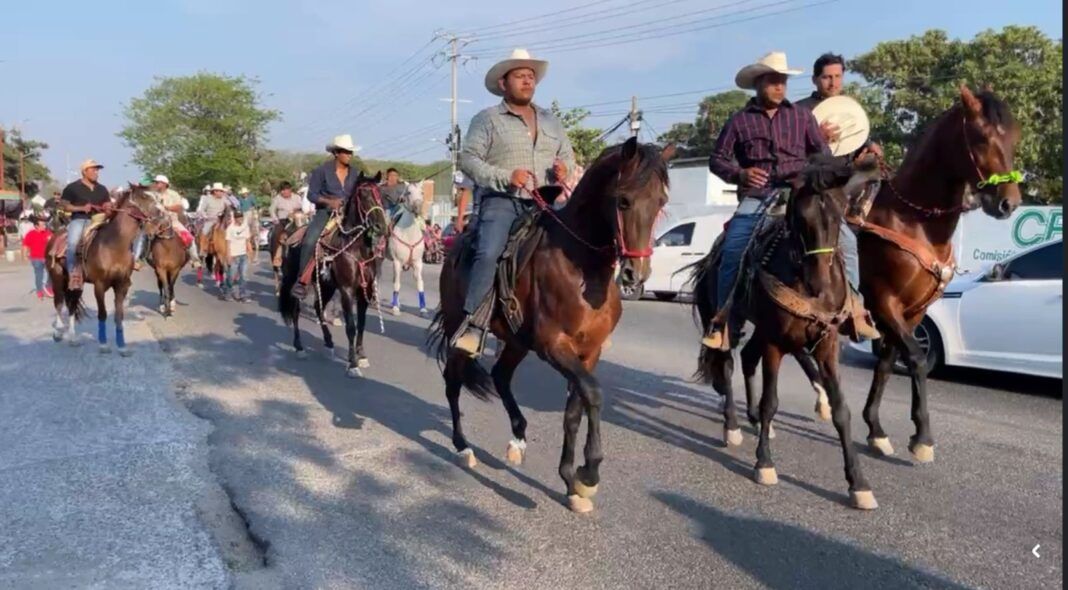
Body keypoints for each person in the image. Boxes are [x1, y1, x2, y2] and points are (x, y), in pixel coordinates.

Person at [700, 52, 879, 350]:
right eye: (773, 81)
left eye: (782, 81)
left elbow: (821, 154)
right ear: (758, 84)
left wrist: (848, 169)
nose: (779, 87)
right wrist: (740, 174)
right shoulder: (739, 121)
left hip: (800, 192)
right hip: (759, 195)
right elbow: (717, 160)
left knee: (846, 241)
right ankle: (723, 322)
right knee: (732, 250)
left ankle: (855, 311)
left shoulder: (801, 116)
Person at [451, 48, 576, 355]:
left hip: (545, 201)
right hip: (502, 200)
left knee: (577, 245)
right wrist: (506, 175)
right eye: (520, 76)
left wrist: (565, 168)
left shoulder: (552, 121)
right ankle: (475, 323)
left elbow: (569, 157)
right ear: (503, 83)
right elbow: (468, 160)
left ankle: (581, 319)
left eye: (531, 77)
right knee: (490, 251)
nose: (527, 81)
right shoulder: (488, 120)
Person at [794, 52, 883, 339]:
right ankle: (854, 310)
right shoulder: (800, 111)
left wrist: (871, 147)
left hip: (846, 187)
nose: (832, 83)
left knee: (879, 175)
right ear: (815, 79)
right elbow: (789, 151)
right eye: (826, 77)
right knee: (847, 245)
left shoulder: (849, 109)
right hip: (814, 190)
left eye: (837, 77)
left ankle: (860, 212)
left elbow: (859, 137)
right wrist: (816, 136)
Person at [292, 134, 361, 298]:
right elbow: (312, 195)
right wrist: (329, 202)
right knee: (310, 240)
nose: (349, 155)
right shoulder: (321, 171)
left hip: (348, 216)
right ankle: (301, 280)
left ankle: (368, 281)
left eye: (351, 152)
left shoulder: (355, 173)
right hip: (326, 214)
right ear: (336, 153)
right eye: (346, 152)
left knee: (368, 238)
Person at [60, 159, 111, 278]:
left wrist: (108, 207)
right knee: (72, 244)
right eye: (93, 169)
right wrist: (81, 208)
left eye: (97, 170)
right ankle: (73, 273)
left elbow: (107, 204)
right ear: (84, 171)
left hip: (100, 220)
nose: (96, 172)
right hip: (80, 219)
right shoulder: (72, 187)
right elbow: (64, 206)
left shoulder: (102, 188)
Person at [150, 174, 201, 268]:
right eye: (155, 182)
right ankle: (140, 258)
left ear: (164, 184)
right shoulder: (153, 194)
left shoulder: (173, 194)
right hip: (156, 220)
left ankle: (195, 258)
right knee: (144, 235)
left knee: (188, 237)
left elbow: (179, 206)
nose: (156, 184)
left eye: (157, 182)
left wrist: (167, 207)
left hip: (172, 219)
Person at [223, 209, 253, 302]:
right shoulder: (230, 229)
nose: (240, 219)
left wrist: (250, 252)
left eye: (241, 217)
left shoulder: (245, 227)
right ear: (235, 218)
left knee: (243, 276)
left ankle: (243, 295)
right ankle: (228, 293)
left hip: (243, 255)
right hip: (233, 255)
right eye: (238, 217)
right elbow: (228, 244)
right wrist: (228, 256)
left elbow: (247, 241)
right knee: (231, 276)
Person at [21, 216, 53, 299]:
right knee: (39, 275)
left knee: (51, 273)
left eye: (45, 225)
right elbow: (25, 245)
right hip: (36, 258)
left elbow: (54, 242)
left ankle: (49, 287)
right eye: (42, 225)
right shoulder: (30, 234)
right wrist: (24, 256)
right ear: (36, 226)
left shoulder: (48, 233)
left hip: (47, 258)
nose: (44, 226)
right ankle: (39, 291)